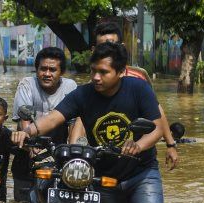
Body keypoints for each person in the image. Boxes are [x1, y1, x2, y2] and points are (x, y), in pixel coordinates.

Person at [13, 42, 165, 203]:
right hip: (105, 177)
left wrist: (138, 145)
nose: (96, 77)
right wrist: (26, 133)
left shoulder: (139, 89)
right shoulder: (83, 94)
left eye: (103, 72)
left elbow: (157, 128)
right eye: (93, 71)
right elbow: (52, 119)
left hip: (142, 173)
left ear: (121, 72)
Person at [71, 22, 179, 171]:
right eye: (103, 46)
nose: (109, 50)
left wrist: (170, 144)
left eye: (113, 45)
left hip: (138, 156)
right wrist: (74, 154)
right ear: (94, 50)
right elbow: (81, 120)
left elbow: (157, 112)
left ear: (122, 46)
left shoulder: (139, 78)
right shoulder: (93, 84)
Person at [10, 46, 78, 202]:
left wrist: (74, 151)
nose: (47, 74)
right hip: (27, 149)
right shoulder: (27, 84)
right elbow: (24, 121)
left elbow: (75, 122)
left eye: (52, 70)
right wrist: (32, 147)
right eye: (43, 69)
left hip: (60, 153)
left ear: (61, 72)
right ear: (37, 70)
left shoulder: (70, 87)